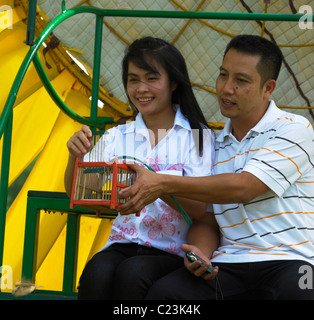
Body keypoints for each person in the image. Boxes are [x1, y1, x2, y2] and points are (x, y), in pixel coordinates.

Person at [118, 35, 314, 300]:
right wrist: (199, 252)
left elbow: (245, 187)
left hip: (292, 260)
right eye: (223, 75)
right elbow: (208, 217)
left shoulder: (294, 128)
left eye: (240, 81)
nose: (226, 88)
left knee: (301, 292)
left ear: (268, 89)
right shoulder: (211, 143)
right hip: (228, 263)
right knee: (165, 295)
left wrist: (161, 182)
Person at [64, 37, 219, 300]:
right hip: (121, 244)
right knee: (95, 272)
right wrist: (74, 158)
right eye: (133, 79)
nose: (141, 88)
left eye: (151, 78)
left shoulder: (197, 137)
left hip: (171, 249)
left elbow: (199, 208)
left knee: (133, 274)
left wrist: (157, 186)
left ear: (174, 82)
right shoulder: (117, 136)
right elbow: (78, 193)